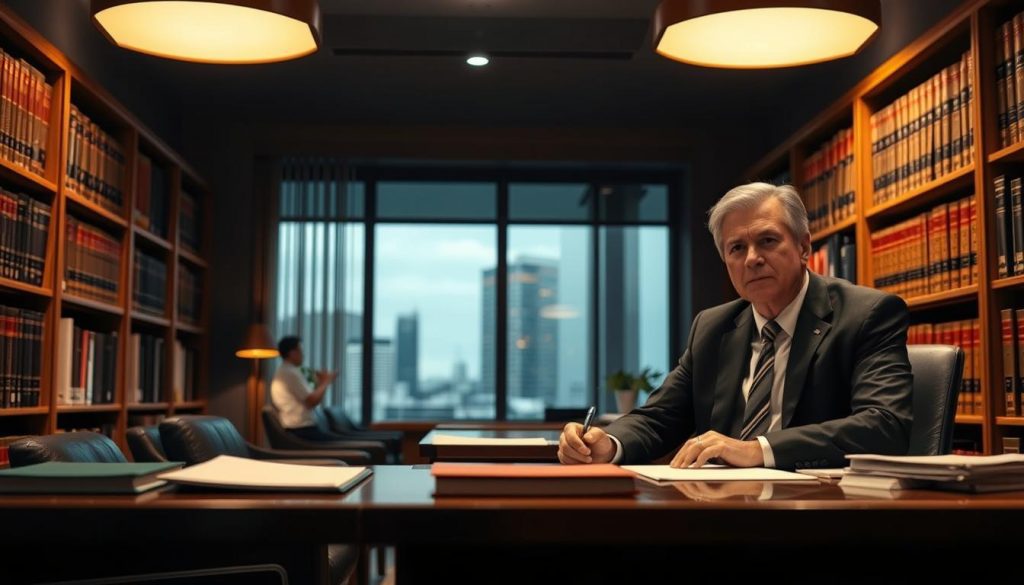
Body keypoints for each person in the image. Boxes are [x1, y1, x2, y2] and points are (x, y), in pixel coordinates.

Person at [559, 182, 912, 470]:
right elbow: (660, 419)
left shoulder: (867, 314)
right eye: (736, 248)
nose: (752, 259)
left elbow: (884, 425)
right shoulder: (713, 327)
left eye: (768, 241)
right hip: (726, 507)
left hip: (827, 514)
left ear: (804, 246)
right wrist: (608, 443)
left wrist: (758, 449)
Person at [270, 335, 340, 441]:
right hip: (301, 430)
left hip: (302, 428)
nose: (303, 355)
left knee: (339, 440)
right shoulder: (290, 373)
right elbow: (312, 401)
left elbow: (309, 397)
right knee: (341, 443)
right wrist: (326, 382)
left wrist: (321, 383)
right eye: (301, 351)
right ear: (292, 353)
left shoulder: (287, 371)